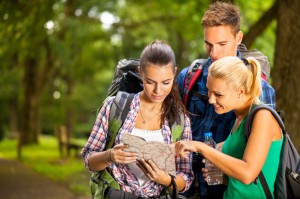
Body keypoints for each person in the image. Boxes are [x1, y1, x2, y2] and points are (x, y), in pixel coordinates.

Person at [175, 2, 276, 198]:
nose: (214, 53)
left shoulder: (258, 87)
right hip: (185, 185)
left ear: (238, 38)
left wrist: (205, 149)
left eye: (222, 44)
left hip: (227, 187)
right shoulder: (188, 77)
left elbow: (260, 155)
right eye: (208, 44)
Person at [81, 40, 194, 198]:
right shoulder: (114, 107)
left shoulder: (180, 120)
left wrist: (166, 179)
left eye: (166, 82)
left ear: (174, 73)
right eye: (150, 82)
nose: (158, 90)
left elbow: (186, 176)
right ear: (140, 72)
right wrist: (110, 156)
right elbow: (89, 160)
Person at [175, 56, 283, 199]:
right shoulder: (240, 117)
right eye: (209, 91)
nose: (211, 99)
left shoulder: (262, 116)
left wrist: (201, 147)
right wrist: (223, 175)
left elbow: (248, 174)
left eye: (218, 95)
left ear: (240, 91)